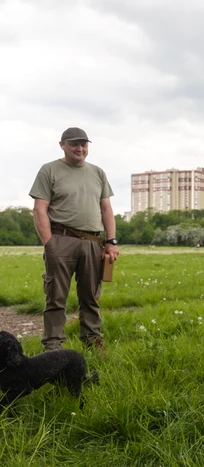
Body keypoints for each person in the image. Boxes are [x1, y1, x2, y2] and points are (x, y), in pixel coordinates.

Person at [29, 127, 120, 353]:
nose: (80, 149)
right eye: (74, 144)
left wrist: (111, 241)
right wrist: (50, 243)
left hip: (93, 242)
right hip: (61, 239)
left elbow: (106, 209)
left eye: (84, 144)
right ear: (62, 145)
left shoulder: (98, 172)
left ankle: (92, 341)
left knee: (91, 296)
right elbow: (40, 210)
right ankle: (53, 347)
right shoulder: (49, 170)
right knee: (56, 297)